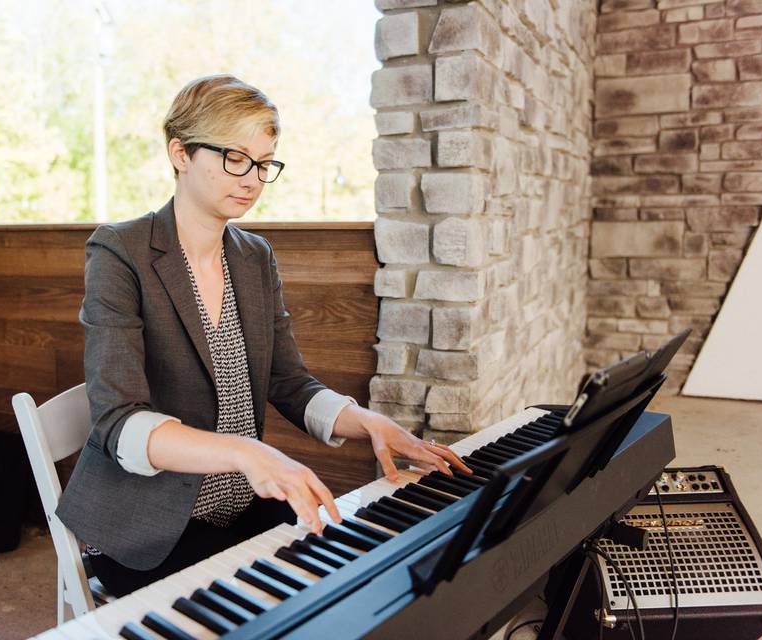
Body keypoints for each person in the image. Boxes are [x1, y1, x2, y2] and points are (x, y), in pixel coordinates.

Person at [56, 74, 470, 597]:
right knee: (278, 603)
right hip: (148, 526)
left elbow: (289, 381)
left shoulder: (254, 256)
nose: (251, 178)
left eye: (263, 162)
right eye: (234, 157)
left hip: (237, 503)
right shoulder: (120, 251)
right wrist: (247, 453)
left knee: (351, 573)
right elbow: (119, 422)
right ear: (180, 153)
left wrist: (369, 423)